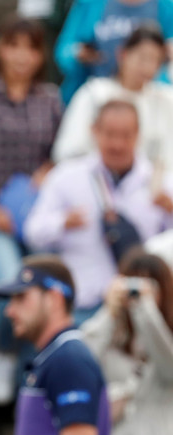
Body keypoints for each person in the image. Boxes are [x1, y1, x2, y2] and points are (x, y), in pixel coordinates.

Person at [0, 16, 63, 405]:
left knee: (44, 289)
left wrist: (48, 171)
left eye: (31, 47)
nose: (21, 56)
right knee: (10, 286)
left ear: (40, 55)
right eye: (13, 45)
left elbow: (59, 154)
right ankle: (3, 355)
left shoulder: (50, 98)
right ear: (0, 49)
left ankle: (33, 369)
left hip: (40, 215)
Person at [24, 99, 173, 318]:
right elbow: (32, 233)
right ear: (94, 131)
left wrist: (170, 210)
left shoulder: (160, 182)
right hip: (83, 301)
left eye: (126, 135)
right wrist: (62, 222)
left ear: (138, 134)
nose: (117, 144)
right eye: (110, 134)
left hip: (140, 305)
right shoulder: (66, 176)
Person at [0, 255, 111, 435]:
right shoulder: (57, 356)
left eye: (21, 297)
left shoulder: (69, 360)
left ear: (54, 298)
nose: (9, 311)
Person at [80, 248, 173, 435]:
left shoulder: (166, 336)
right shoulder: (111, 332)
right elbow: (80, 361)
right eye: (132, 282)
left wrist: (146, 311)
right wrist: (109, 312)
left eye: (149, 284)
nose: (136, 293)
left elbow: (169, 370)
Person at [53, 25, 173, 167]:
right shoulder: (93, 94)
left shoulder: (165, 99)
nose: (148, 67)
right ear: (123, 54)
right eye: (142, 57)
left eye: (155, 60)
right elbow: (68, 151)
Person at [54, 0, 173, 103]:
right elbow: (64, 51)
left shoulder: (165, 7)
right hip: (100, 94)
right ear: (122, 54)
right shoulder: (90, 4)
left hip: (148, 94)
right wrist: (77, 52)